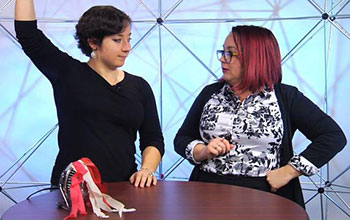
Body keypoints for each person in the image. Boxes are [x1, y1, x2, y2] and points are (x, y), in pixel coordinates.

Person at [174, 25, 347, 208]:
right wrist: (202, 150)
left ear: (255, 58)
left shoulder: (286, 97)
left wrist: (289, 171)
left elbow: (332, 137)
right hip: (207, 194)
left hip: (267, 198)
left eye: (231, 53)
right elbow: (182, 138)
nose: (223, 59)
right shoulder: (210, 93)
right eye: (223, 52)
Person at [15, 1, 164, 188]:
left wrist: (147, 170)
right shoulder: (68, 73)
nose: (127, 48)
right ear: (93, 42)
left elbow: (153, 139)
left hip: (125, 188)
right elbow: (27, 34)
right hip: (73, 191)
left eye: (129, 39)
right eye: (118, 40)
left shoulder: (139, 86)